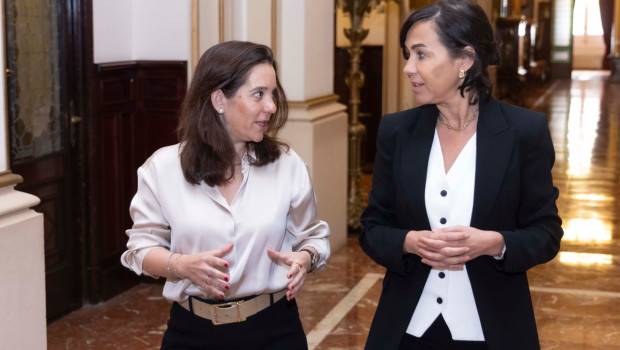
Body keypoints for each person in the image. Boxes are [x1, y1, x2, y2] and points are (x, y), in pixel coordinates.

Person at [359, 1, 563, 349]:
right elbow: (373, 228)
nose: (408, 68)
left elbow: (546, 233)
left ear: (465, 60)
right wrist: (410, 242)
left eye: (421, 55)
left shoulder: (523, 132)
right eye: (407, 54)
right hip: (408, 327)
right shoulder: (397, 131)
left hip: (492, 328)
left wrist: (496, 244)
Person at [121, 41, 330, 350]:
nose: (271, 106)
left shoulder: (287, 166)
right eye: (259, 94)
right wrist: (180, 266)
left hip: (275, 330)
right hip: (192, 333)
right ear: (219, 99)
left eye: (273, 94)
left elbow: (314, 238)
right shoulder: (163, 169)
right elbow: (139, 250)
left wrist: (305, 259)